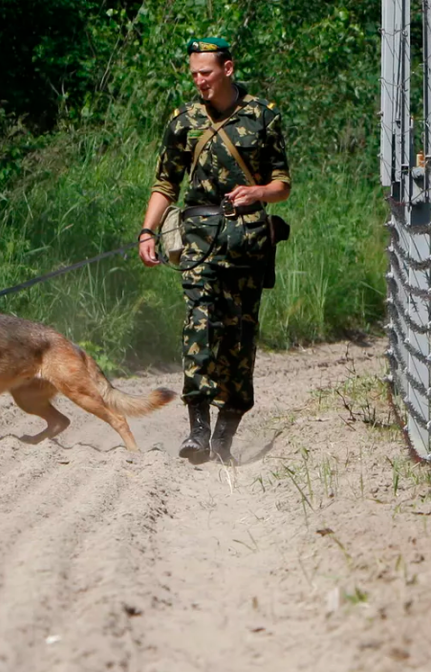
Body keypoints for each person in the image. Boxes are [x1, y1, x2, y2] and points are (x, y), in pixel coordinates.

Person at [137, 36, 291, 464]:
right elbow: (165, 183)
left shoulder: (263, 116)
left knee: (239, 337)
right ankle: (198, 431)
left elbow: (283, 184)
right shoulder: (184, 121)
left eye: (205, 72)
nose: (199, 81)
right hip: (199, 242)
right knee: (199, 328)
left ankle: (225, 434)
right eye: (193, 74)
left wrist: (258, 191)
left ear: (227, 68)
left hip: (248, 244)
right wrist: (147, 231)